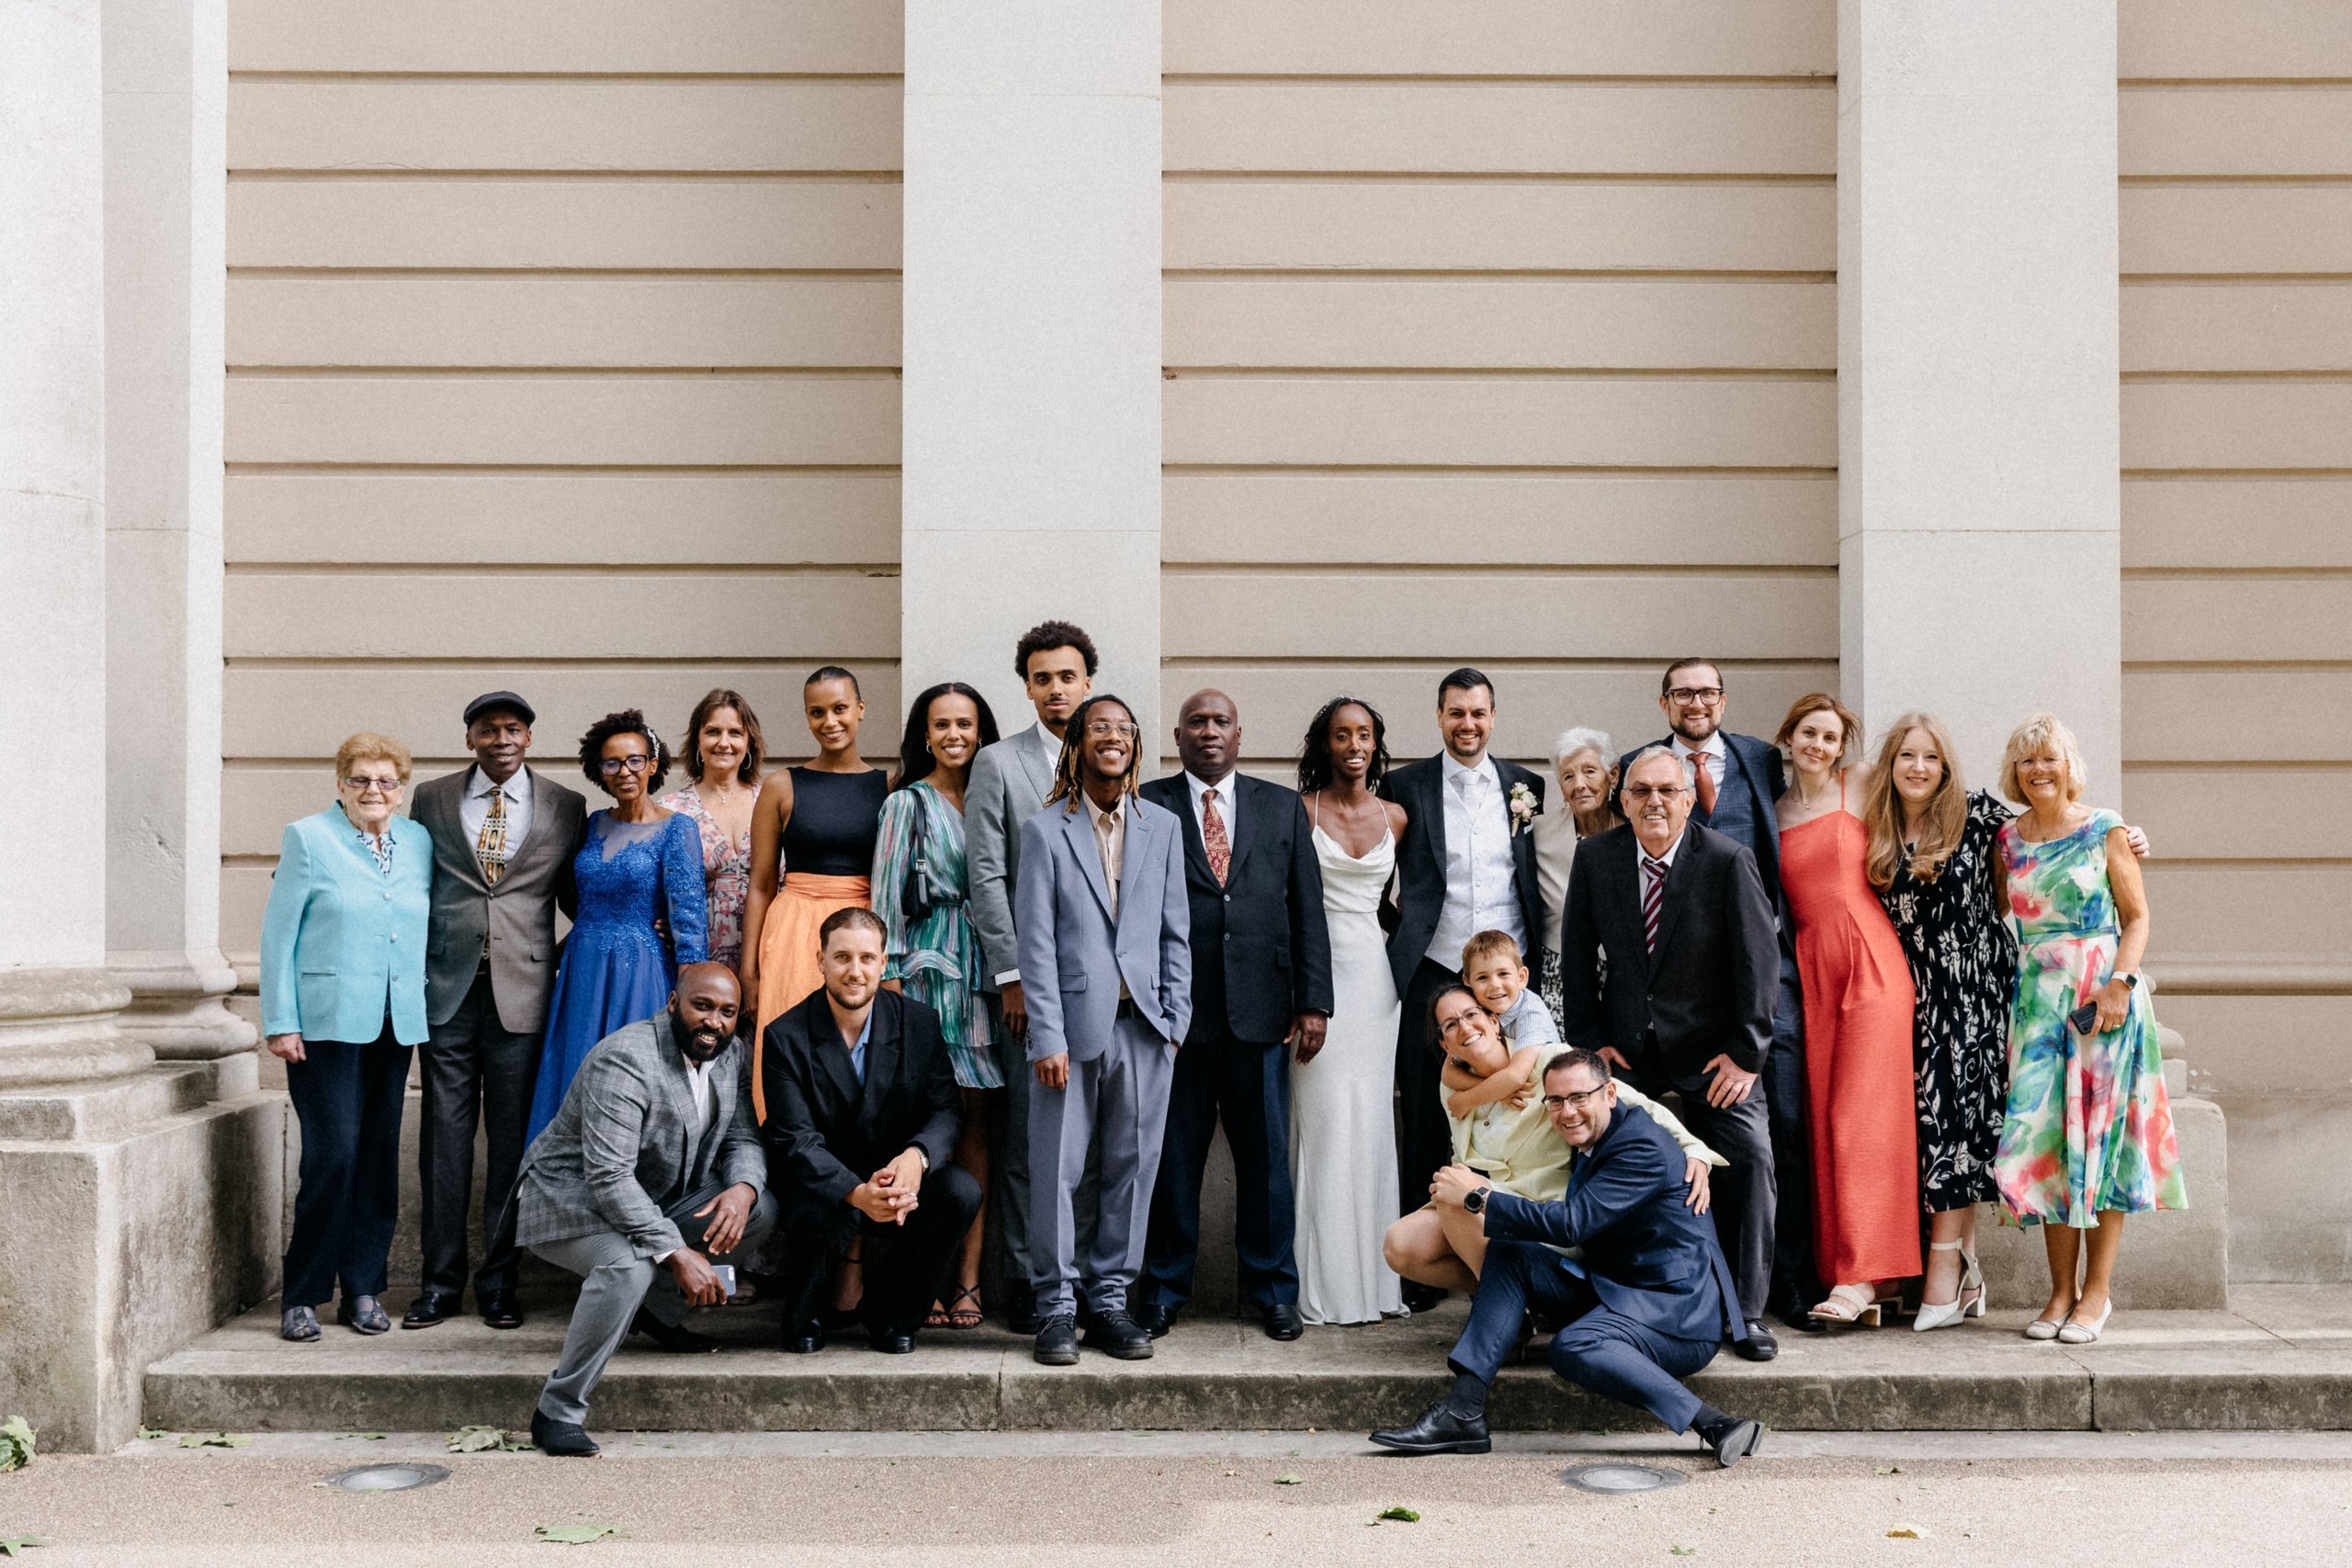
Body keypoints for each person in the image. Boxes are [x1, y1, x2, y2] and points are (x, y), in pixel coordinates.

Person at [1370, 1049, 1764, 1468]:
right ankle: (1463, 1411)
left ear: (1609, 1094)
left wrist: (1479, 1196)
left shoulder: (1641, 1148)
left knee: (1573, 1345)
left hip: (1674, 1317)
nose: (1567, 1112)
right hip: (1613, 1291)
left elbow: (1574, 1224)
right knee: (1510, 1250)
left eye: (1579, 1097)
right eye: (1555, 1101)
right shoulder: (1593, 1135)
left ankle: (1714, 1422)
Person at [1559, 746, 1781, 1359]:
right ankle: (1609, 1296)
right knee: (1591, 1148)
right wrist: (1591, 1045)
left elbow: (1759, 966)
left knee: (1752, 1157)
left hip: (1715, 1055)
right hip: (1628, 1052)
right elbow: (1576, 957)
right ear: (1623, 800)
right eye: (1641, 791)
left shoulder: (1727, 860)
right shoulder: (1596, 857)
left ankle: (1746, 1313)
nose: (1654, 802)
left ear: (1688, 799)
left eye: (1667, 791)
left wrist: (1746, 1055)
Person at [1618, 658, 1812, 1331]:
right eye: (1683, 692)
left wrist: (1748, 1045)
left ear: (1723, 700)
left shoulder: (1759, 760)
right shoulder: (1641, 771)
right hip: (1664, 1010)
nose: (1695, 702)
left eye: (1707, 692)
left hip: (1755, 985)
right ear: (1664, 702)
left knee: (1779, 1131)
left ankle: (1780, 1285)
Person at [513, 963, 774, 1457]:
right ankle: (557, 1411)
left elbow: (742, 1136)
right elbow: (608, 1178)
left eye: (727, 1012)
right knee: (627, 1266)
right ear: (674, 1004)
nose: (714, 1022)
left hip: (651, 1197)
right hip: (568, 1201)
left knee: (758, 1210)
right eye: (702, 1006)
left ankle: (656, 1311)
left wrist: (743, 1188)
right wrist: (675, 1251)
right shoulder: (626, 1059)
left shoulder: (731, 1053)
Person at [1136, 690, 1334, 1341]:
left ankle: (1272, 1290)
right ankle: (1163, 1289)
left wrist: (1314, 1001)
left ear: (1239, 734)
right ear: (1178, 736)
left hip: (1264, 1014)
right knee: (1173, 1162)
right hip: (1177, 1018)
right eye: (1196, 722)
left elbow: (1307, 906)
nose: (1209, 731)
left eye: (1221, 721)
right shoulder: (1149, 804)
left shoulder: (1280, 806)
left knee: (1267, 1163)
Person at [1992, 713, 2186, 1345]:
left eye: (2049, 757)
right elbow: (1993, 913)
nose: (2038, 769)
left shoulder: (2106, 828)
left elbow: (2138, 916)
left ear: (2069, 765)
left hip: (2104, 1001)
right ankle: (2059, 1292)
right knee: (2049, 1144)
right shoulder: (2006, 840)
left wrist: (2120, 985)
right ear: (2015, 772)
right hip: (2038, 1004)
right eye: (2027, 760)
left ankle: (2096, 1294)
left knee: (2101, 1142)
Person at [1014, 693, 1191, 1365]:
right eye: (1099, 727)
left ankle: (1110, 1301)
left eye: (1123, 727)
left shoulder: (1162, 826)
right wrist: (1046, 1036)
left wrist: (1175, 1021)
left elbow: (1175, 932)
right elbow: (1035, 945)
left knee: (1131, 1170)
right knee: (1057, 1172)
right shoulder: (1044, 831)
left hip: (1144, 1028)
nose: (1113, 736)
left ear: (1135, 744)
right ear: (1078, 744)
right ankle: (1056, 1310)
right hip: (1069, 1032)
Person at [405, 691, 588, 1332]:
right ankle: (439, 1284)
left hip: (524, 993)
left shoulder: (566, 805)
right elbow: (414, 883)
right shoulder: (431, 798)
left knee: (513, 1146)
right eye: (488, 730)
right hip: (447, 989)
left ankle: (500, 1284)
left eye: (513, 729)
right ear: (470, 739)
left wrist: (563, 954)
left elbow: (578, 898)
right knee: (443, 1142)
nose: (501, 739)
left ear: (529, 737)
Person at [1378, 667, 1548, 1309]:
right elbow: (1379, 874)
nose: (1467, 724)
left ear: (1493, 717)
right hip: (1434, 967)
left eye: (1478, 713)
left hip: (1504, 972)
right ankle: (1425, 1269)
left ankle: (1499, 1254)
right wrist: (1403, 934)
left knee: (1512, 1107)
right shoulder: (1404, 786)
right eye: (1456, 713)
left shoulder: (1526, 787)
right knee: (1427, 1108)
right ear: (1440, 716)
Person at [260, 732, 434, 1342]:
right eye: (360, 779)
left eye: (386, 780)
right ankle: (303, 1294)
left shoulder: (418, 841)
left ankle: (362, 1288)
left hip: (394, 1022)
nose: (373, 790)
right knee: (332, 1156)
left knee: (378, 1157)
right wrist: (280, 1020)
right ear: (340, 784)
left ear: (401, 789)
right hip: (324, 1024)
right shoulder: (308, 837)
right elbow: (279, 935)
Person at [1383, 986, 1722, 1291]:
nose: (1465, 1027)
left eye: (1472, 1014)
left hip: (1552, 1212)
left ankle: (1505, 1307)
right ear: (1445, 1044)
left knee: (1459, 1195)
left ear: (1494, 1020)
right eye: (1451, 1024)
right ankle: (1515, 1297)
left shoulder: (1544, 1059)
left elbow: (1634, 1101)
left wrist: (1693, 1148)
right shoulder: (1452, 1088)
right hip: (1495, 1198)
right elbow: (1463, 1154)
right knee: (1401, 1245)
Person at [761, 908, 980, 1354]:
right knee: (815, 1206)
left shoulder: (919, 1023)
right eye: (842, 957)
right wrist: (855, 1192)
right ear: (821, 961)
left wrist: (916, 1158)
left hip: (893, 1171)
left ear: (883, 963)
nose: (854, 971)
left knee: (960, 1192)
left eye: (866, 958)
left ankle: (891, 1315)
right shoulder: (785, 1036)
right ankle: (806, 1313)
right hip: (822, 1178)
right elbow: (795, 1140)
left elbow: (945, 1109)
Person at [1771, 694, 1921, 1325]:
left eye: (1831, 737)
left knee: (1861, 1117)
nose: (1819, 746)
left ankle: (1866, 1273)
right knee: (1824, 1119)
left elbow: (1934, 783)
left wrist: (2115, 831)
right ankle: (1851, 1271)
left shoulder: (1856, 782)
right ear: (1789, 736)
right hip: (1811, 969)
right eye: (1809, 733)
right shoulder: (1772, 809)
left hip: (1868, 958)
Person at [966, 619, 1098, 1333]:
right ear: (1027, 687)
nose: (1056, 689)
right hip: (1028, 989)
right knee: (1029, 1138)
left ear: (1087, 682)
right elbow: (986, 874)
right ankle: (1025, 1277)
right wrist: (1013, 976)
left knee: (1096, 1141)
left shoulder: (1112, 754)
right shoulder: (998, 763)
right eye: (1042, 678)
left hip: (1100, 986)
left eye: (1067, 676)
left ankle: (1088, 1279)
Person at [868, 681, 1002, 1330]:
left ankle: (969, 1281)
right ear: (925, 734)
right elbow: (884, 902)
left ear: (981, 732)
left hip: (985, 977)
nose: (954, 735)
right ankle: (922, 1281)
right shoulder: (906, 803)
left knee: (976, 1127)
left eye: (965, 724)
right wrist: (889, 989)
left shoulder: (993, 795)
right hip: (925, 979)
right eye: (942, 724)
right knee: (926, 1130)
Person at [526, 711, 707, 1144]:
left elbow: (691, 924)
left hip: (640, 974)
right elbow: (578, 897)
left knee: (629, 1082)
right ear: (599, 770)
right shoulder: (592, 824)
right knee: (573, 1073)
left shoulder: (678, 829)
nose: (624, 771)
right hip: (581, 973)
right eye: (612, 763)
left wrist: (687, 1000)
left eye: (634, 760)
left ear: (653, 764)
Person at [1291, 696, 1409, 1325]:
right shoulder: (1300, 810)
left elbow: (1404, 904)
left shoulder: (1397, 817)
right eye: (1342, 735)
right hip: (1318, 977)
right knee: (1327, 1121)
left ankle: (1377, 1282)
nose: (1354, 745)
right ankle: (1325, 1283)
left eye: (1364, 734)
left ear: (1376, 743)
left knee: (1372, 1124)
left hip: (1375, 980)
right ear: (1325, 744)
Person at [742, 667, 889, 1097]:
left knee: (861, 1050)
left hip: (863, 931)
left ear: (860, 709)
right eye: (817, 712)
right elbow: (761, 885)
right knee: (792, 1047)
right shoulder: (781, 786)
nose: (830, 722)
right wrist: (749, 973)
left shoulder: (889, 786)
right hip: (794, 932)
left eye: (840, 709)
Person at [658, 688, 769, 970]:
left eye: (735, 733)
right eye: (713, 732)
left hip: (767, 955)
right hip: (699, 963)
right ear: (697, 739)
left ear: (749, 742)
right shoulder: (671, 810)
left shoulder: (771, 801)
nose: (724, 742)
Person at [1530, 728, 1623, 1027]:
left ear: (1613, 775)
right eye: (1568, 776)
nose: (1579, 784)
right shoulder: (1539, 834)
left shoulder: (1634, 833)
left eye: (1590, 771)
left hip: (1623, 972)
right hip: (1559, 970)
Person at [1460, 929, 1558, 1051]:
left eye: (1503, 974)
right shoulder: (1474, 1009)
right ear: (1468, 982)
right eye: (1482, 977)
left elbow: (1522, 1064)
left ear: (1521, 977)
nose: (1495, 985)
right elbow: (1454, 1057)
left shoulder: (1532, 1013)